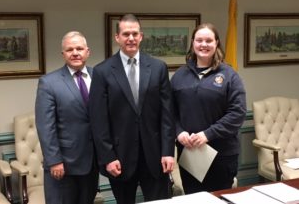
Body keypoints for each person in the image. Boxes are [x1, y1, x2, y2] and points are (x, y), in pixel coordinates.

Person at [89, 14, 175, 204]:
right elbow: (98, 120)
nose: (131, 38)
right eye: (126, 34)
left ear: (141, 36)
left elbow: (167, 114)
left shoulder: (158, 67)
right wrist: (108, 157)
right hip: (120, 158)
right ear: (117, 37)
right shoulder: (102, 71)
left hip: (155, 157)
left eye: (135, 34)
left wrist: (168, 151)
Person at [171, 23, 247, 194]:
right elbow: (170, 111)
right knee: (194, 198)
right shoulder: (179, 76)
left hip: (222, 155)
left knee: (218, 198)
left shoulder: (229, 76)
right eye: (199, 40)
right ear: (192, 43)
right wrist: (179, 132)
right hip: (189, 154)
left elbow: (237, 113)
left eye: (208, 40)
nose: (203, 44)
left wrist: (207, 134)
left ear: (216, 43)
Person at [35, 31, 99, 204]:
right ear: (63, 54)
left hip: (92, 163)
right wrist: (54, 161)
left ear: (88, 51)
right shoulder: (49, 82)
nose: (75, 53)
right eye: (70, 49)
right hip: (63, 165)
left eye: (79, 48)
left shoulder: (99, 77)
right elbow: (45, 126)